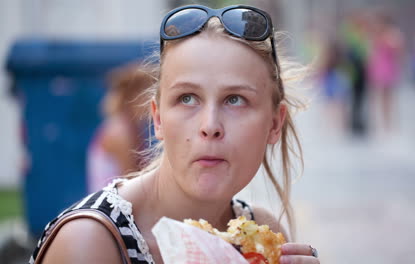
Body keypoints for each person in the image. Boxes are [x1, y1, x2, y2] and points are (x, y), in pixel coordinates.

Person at [29, 4, 320, 264]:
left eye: (235, 99)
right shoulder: (92, 243)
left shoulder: (263, 238)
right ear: (157, 119)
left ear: (273, 124)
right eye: (187, 98)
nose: (210, 125)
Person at [87, 63, 153, 193]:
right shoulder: (120, 133)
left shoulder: (132, 128)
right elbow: (131, 183)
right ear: (134, 96)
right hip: (111, 210)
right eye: (150, 93)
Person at [367, 12, 403, 134]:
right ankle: (381, 124)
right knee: (378, 97)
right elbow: (371, 53)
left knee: (388, 97)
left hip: (388, 68)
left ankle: (388, 123)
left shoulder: (392, 34)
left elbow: (398, 49)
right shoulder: (375, 35)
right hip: (378, 68)